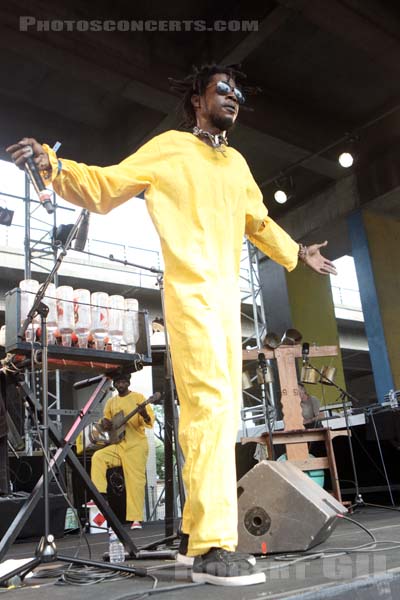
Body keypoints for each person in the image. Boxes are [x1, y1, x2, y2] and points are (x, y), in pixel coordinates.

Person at [7, 63, 337, 586]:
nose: (232, 97)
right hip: (192, 296)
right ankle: (211, 546)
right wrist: (54, 166)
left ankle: (191, 534)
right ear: (197, 101)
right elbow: (109, 185)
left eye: (238, 93)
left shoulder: (238, 165)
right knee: (208, 407)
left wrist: (297, 253)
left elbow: (259, 221)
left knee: (218, 417)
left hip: (227, 303)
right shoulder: (169, 149)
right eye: (221, 89)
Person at [90, 373, 154, 529]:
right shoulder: (111, 402)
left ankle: (136, 519)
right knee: (98, 457)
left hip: (136, 445)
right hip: (119, 444)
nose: (120, 384)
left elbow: (149, 422)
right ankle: (101, 496)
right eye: (117, 382)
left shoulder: (138, 397)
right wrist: (105, 423)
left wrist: (144, 413)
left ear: (128, 383)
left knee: (135, 482)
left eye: (123, 381)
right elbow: (106, 423)